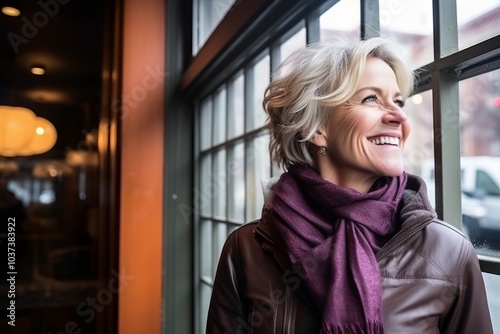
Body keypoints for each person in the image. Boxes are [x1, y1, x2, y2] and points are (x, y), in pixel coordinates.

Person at [205, 37, 493, 333]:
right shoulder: (246, 249)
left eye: (398, 101)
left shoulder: (449, 251)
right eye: (371, 99)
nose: (400, 116)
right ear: (315, 127)